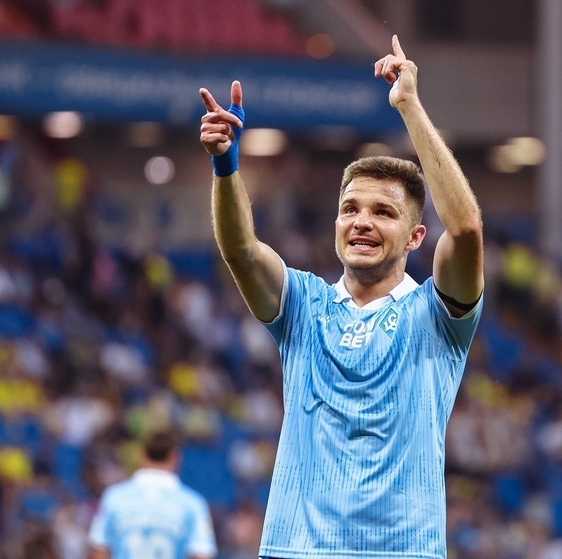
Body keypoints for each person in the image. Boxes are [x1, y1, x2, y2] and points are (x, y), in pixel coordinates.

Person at [199, 34, 484, 559]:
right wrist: (225, 166)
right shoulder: (303, 305)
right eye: (350, 208)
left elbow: (465, 230)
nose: (362, 222)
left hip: (400, 551)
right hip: (296, 548)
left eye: (383, 212)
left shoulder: (437, 313)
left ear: (416, 237)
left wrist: (409, 107)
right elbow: (241, 250)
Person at [87, 429, 217, 559]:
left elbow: (99, 550)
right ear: (175, 457)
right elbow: (201, 554)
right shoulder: (192, 504)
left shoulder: (115, 498)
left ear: (142, 455)